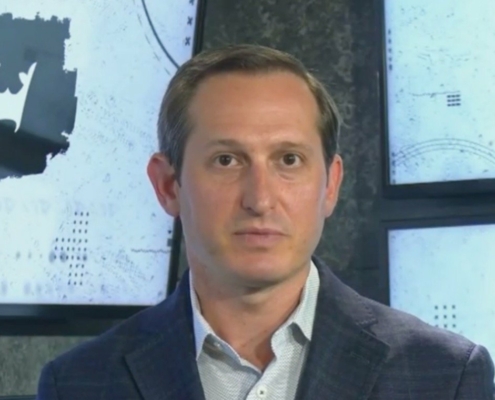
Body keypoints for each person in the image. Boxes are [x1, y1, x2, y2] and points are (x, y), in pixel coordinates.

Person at [36, 44, 494, 400]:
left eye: (289, 159)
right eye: (226, 160)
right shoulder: (78, 384)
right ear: (169, 185)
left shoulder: (444, 376)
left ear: (330, 184)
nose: (259, 199)